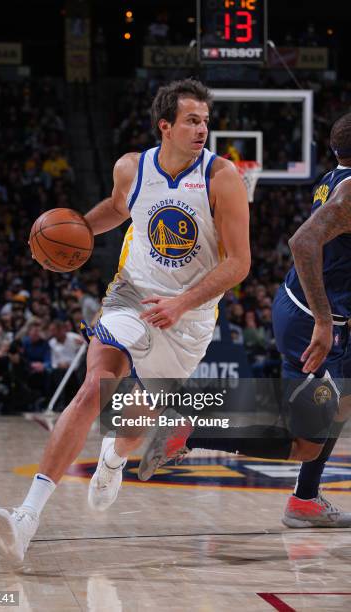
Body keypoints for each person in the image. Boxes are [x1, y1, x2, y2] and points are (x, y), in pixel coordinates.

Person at [0, 78, 250, 565]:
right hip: (132, 294)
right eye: (192, 120)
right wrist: (69, 235)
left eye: (205, 121)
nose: (202, 129)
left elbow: (239, 263)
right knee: (94, 388)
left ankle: (114, 456)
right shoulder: (133, 167)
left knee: (130, 423)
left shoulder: (222, 176)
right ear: (164, 125)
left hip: (188, 318)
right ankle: (27, 517)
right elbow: (117, 208)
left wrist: (183, 302)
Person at [138, 112, 351, 528]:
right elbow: (302, 242)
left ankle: (305, 500)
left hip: (319, 313)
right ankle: (190, 431)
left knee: (341, 402)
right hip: (313, 321)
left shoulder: (336, 178)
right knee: (304, 444)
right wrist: (324, 323)